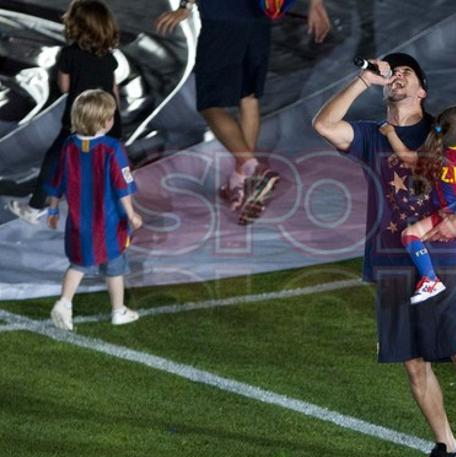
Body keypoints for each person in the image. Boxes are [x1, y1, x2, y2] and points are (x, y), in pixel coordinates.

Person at [313, 53, 456, 457]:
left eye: (405, 72)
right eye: (391, 72)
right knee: (413, 365)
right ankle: (447, 446)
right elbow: (323, 125)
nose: (396, 77)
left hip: (444, 255)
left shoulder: (443, 127)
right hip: (391, 263)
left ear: (422, 89)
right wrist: (363, 80)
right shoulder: (373, 135)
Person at [155, 0, 331, 225]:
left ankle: (253, 169)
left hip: (222, 19)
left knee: (210, 105)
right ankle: (241, 181)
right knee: (248, 99)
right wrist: (316, 4)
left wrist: (184, 6)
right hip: (258, 22)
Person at [6, 0, 122, 224]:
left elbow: (65, 87)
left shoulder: (69, 55)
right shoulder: (109, 58)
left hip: (79, 120)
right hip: (107, 119)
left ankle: (35, 207)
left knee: (55, 160)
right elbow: (113, 90)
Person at [379, 105, 456, 305]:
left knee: (409, 235)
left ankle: (429, 279)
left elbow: (406, 156)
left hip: (448, 217)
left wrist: (390, 132)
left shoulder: (437, 157)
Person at [45, 89, 142, 331]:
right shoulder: (112, 148)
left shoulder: (69, 145)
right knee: (115, 265)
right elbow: (122, 184)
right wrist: (131, 214)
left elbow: (58, 178)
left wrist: (53, 209)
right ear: (106, 121)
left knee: (77, 264)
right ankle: (118, 310)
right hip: (108, 221)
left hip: (80, 220)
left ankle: (64, 303)